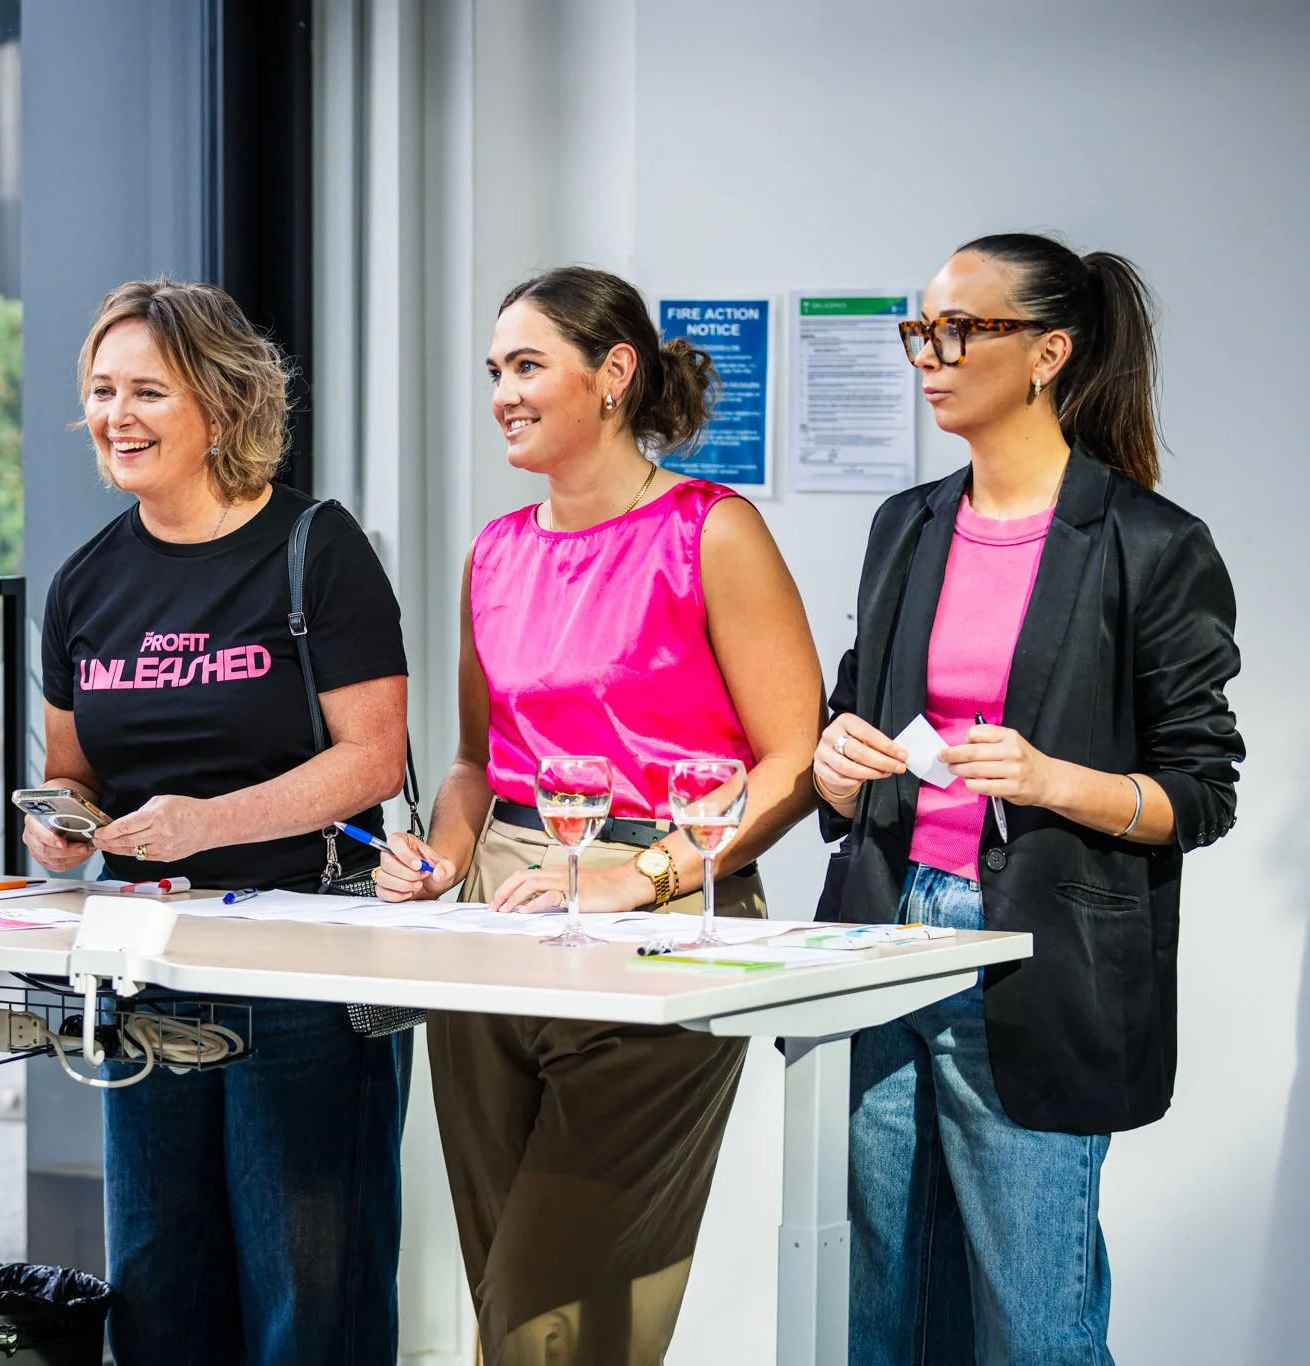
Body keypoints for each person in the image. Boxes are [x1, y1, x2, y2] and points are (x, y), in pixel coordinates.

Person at [374, 265, 823, 1365]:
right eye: (494, 372)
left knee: (547, 1325)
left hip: (663, 920)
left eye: (527, 365)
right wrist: (441, 852)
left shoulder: (709, 532)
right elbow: (476, 761)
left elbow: (791, 758)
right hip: (496, 929)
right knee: (501, 1300)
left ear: (613, 374)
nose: (502, 394)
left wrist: (645, 873)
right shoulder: (495, 550)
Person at [812, 234, 1243, 1364]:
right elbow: (850, 707)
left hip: (1035, 956)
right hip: (883, 933)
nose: (929, 356)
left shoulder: (1149, 545)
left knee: (1032, 1323)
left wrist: (1054, 779)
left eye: (960, 329)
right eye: (921, 330)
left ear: (1047, 351)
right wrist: (832, 761)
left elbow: (1199, 792)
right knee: (884, 1308)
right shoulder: (902, 524)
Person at [26, 278, 413, 1364]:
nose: (117, 415)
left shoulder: (314, 547)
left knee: (307, 1300)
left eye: (148, 389)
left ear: (223, 403)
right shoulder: (85, 581)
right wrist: (61, 829)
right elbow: (74, 772)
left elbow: (370, 758)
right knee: (158, 1292)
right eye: (101, 391)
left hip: (302, 962)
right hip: (144, 965)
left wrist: (207, 822)